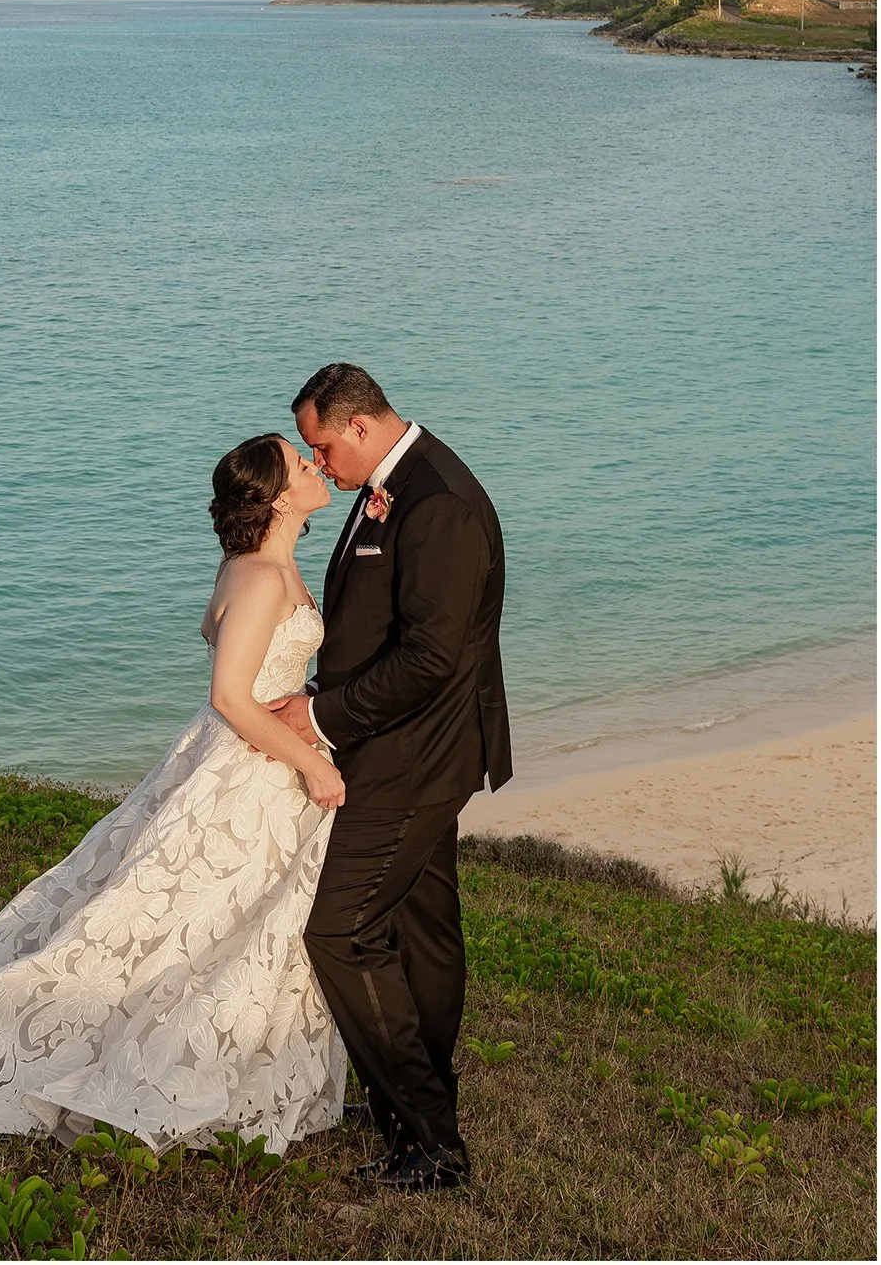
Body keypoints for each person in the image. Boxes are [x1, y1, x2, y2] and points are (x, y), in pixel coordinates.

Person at [0, 433, 348, 1154]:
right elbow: (231, 697)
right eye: (302, 464)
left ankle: (233, 1063)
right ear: (276, 498)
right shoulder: (264, 577)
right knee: (187, 919)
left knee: (230, 923)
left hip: (249, 757)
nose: (314, 467)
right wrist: (314, 763)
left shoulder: (263, 565)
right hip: (251, 765)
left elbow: (228, 648)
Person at [269, 362, 511, 1195]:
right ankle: (418, 1104)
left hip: (414, 758)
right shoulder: (393, 483)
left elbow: (433, 657)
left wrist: (324, 717)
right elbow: (374, 625)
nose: (320, 464)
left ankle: (431, 1140)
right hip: (407, 746)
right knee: (424, 930)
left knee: (340, 933)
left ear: (361, 428)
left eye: (322, 447)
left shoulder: (437, 502)